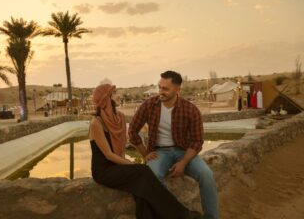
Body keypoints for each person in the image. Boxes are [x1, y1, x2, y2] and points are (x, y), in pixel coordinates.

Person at [90, 83, 201, 219]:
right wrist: (131, 165)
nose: (118, 95)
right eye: (114, 93)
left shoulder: (120, 117)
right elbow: (108, 154)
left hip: (117, 166)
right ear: (106, 99)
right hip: (104, 170)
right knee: (143, 172)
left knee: (140, 186)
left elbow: (121, 149)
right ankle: (182, 215)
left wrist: (127, 165)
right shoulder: (96, 123)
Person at [129, 71, 219, 219]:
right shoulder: (149, 105)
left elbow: (197, 141)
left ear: (178, 89)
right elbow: (132, 131)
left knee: (207, 175)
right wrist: (145, 154)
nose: (160, 92)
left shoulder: (190, 109)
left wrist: (183, 163)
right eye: (159, 87)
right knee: (152, 177)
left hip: (184, 151)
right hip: (159, 152)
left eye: (165, 89)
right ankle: (176, 215)